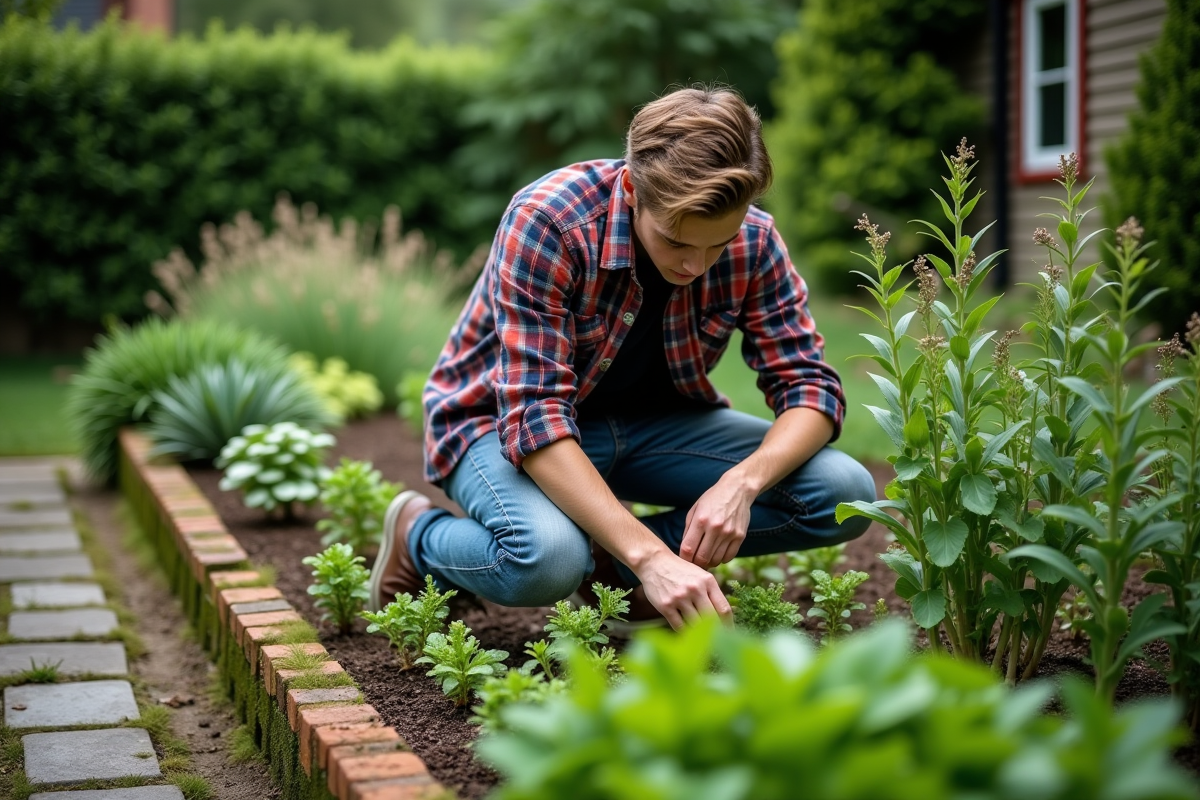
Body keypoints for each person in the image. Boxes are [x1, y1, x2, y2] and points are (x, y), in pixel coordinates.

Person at [367, 86, 876, 631]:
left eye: (717, 245)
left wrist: (741, 484)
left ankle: (611, 564)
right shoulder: (549, 221)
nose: (696, 265)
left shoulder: (755, 239)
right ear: (632, 189)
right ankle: (417, 539)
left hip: (652, 426)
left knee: (842, 492)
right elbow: (532, 418)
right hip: (495, 424)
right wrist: (654, 557)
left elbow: (810, 389)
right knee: (549, 561)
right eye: (677, 242)